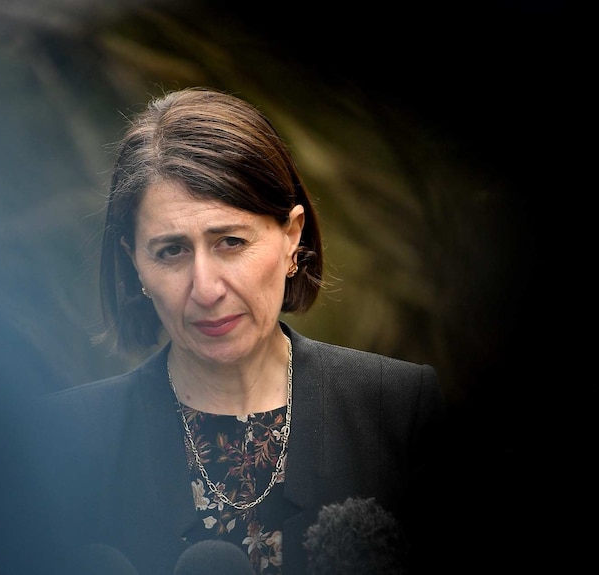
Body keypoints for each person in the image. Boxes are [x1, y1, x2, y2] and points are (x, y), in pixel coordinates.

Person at [43, 87, 450, 575]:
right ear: (136, 265)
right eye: (171, 251)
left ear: (291, 237)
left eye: (230, 242)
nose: (206, 287)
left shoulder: (398, 411)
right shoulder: (67, 440)